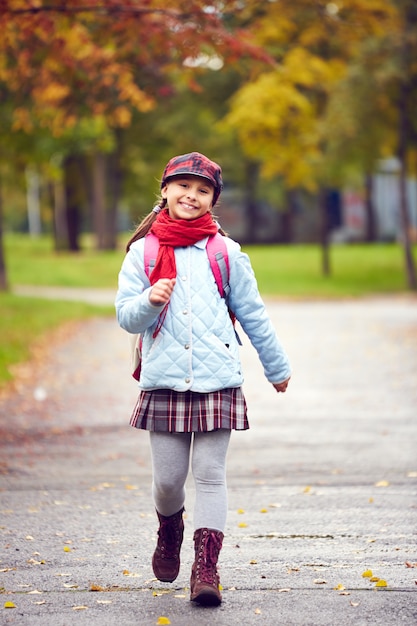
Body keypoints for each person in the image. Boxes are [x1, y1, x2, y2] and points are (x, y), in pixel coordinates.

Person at [115, 151, 291, 607]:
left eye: (202, 190)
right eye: (183, 187)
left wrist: (277, 367)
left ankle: (206, 569)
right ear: (165, 190)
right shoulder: (144, 251)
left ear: (213, 199)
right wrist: (150, 300)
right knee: (169, 480)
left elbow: (253, 313)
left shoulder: (226, 253)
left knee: (210, 475)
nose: (191, 196)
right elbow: (125, 318)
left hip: (218, 380)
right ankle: (169, 530)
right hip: (164, 381)